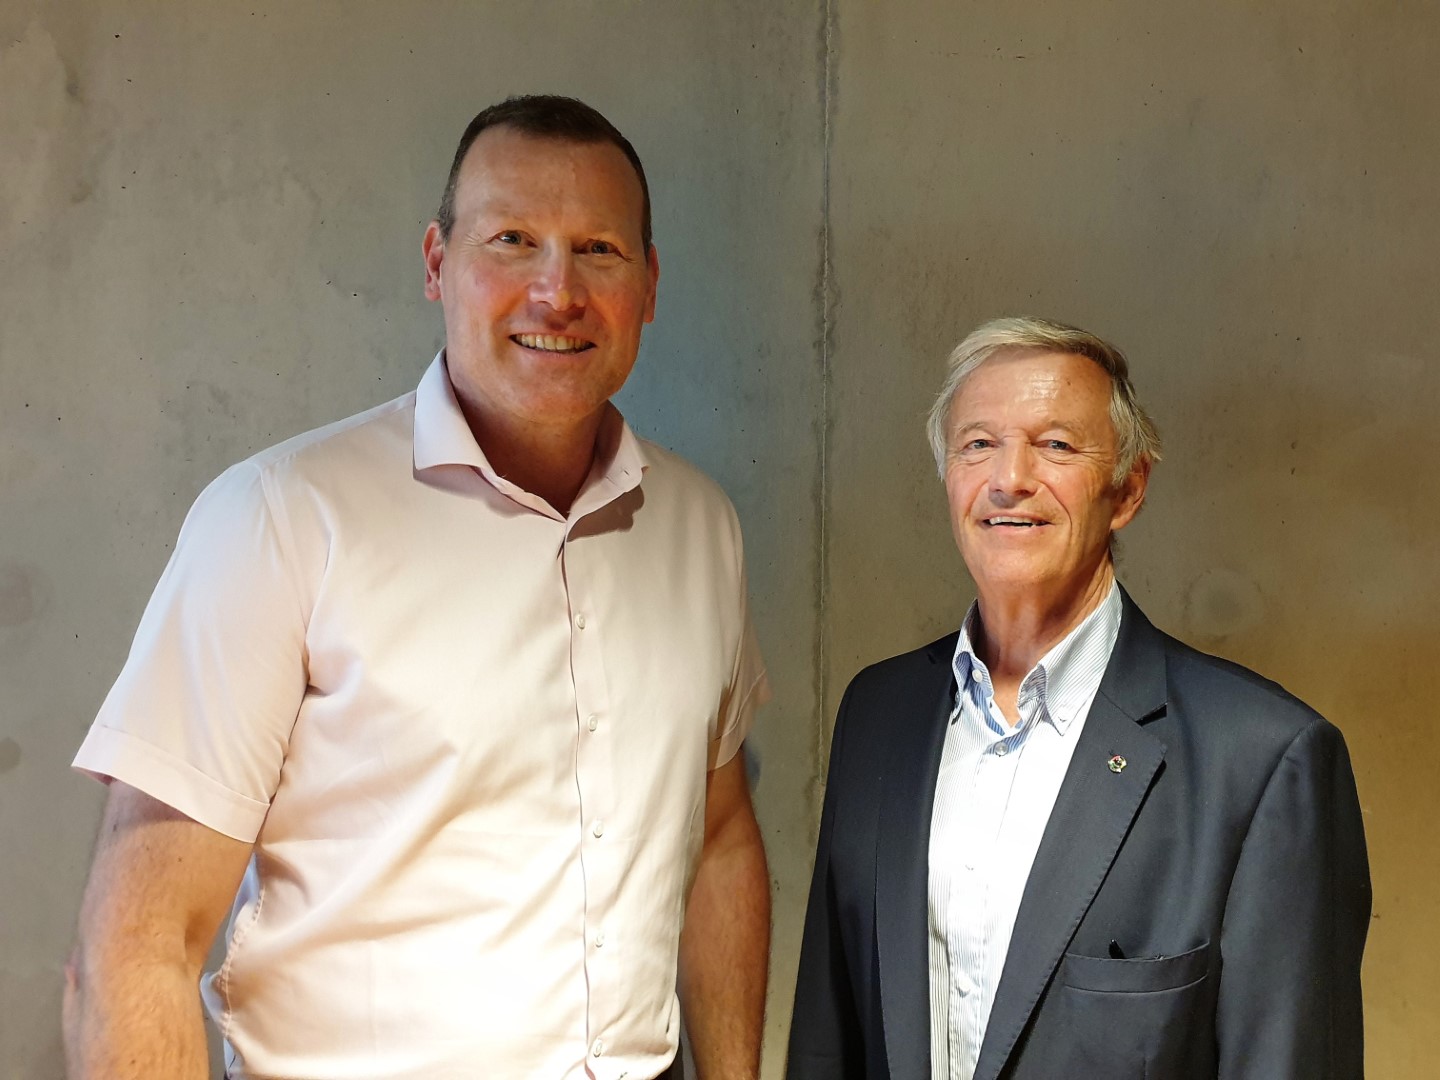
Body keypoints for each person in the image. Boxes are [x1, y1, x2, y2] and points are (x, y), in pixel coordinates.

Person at [65, 94, 770, 1080]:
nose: (556, 290)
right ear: (438, 263)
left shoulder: (700, 527)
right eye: (513, 240)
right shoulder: (279, 517)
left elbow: (723, 831)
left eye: (599, 251)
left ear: (649, 285)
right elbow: (136, 947)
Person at [787, 316, 1369, 1080]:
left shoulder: (1263, 760)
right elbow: (830, 1044)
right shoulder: (879, 713)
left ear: (1128, 489)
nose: (1009, 478)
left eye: (1056, 445)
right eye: (977, 444)